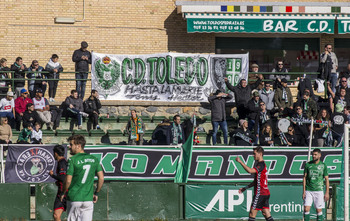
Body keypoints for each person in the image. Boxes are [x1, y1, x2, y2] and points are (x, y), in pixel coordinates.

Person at [61, 135, 104, 221]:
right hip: (88, 200)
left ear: (78, 146)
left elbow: (68, 181)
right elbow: (101, 178)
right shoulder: (94, 159)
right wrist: (97, 193)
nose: (69, 147)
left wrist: (63, 193)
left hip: (74, 198)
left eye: (71, 144)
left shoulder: (72, 160)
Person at [235, 146, 275, 221]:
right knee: (266, 214)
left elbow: (250, 171)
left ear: (260, 154)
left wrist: (240, 162)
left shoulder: (261, 164)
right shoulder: (260, 164)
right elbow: (256, 181)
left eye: (254, 153)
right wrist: (245, 188)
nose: (253, 155)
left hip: (260, 193)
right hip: (265, 193)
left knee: (252, 214)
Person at [303, 148, 329, 221]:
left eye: (315, 154)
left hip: (319, 190)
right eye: (313, 154)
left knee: (319, 210)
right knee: (306, 208)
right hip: (309, 190)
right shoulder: (308, 165)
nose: (313, 156)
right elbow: (304, 178)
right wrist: (304, 191)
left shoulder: (323, 165)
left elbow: (326, 179)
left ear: (319, 155)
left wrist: (327, 192)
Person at [49, 145, 67, 221]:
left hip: (64, 192)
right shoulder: (62, 162)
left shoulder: (62, 162)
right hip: (62, 190)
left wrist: (52, 175)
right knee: (56, 215)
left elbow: (63, 178)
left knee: (56, 215)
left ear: (56, 153)